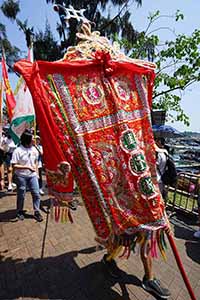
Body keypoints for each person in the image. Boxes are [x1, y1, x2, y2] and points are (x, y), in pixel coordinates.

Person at [102, 229, 171, 299]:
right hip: (127, 220)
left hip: (147, 221)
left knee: (147, 244)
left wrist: (165, 221)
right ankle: (108, 258)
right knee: (121, 239)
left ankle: (149, 279)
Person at [11, 129, 43, 222]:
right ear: (26, 141)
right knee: (21, 194)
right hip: (21, 176)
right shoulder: (18, 150)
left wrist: (36, 173)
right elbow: (14, 165)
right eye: (31, 140)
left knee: (36, 193)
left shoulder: (34, 149)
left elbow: (36, 161)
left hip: (32, 175)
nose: (33, 141)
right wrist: (27, 167)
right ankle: (19, 211)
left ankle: (37, 211)